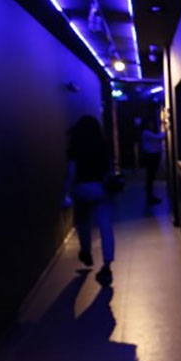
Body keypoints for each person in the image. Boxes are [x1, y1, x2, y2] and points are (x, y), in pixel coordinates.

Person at [62, 115, 115, 286]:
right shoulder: (102, 146)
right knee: (105, 227)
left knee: (82, 223)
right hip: (99, 188)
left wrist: (65, 194)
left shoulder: (75, 147)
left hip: (81, 189)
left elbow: (71, 174)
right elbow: (109, 170)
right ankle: (106, 266)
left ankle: (86, 250)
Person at [138, 115, 166, 204]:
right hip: (151, 156)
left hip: (152, 156)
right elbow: (158, 137)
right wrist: (166, 130)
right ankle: (150, 197)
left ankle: (150, 196)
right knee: (150, 177)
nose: (151, 124)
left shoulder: (145, 132)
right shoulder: (146, 132)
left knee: (150, 177)